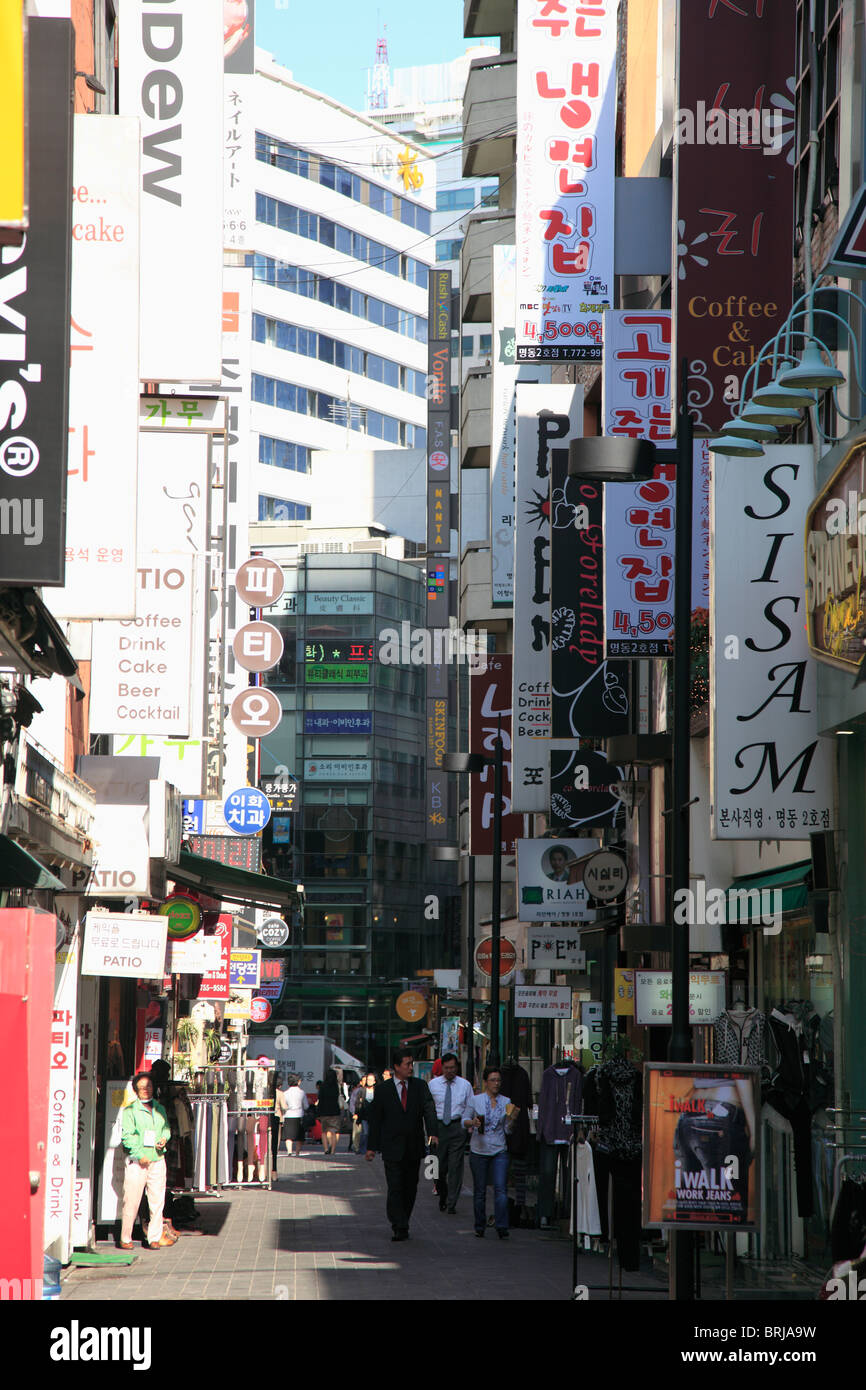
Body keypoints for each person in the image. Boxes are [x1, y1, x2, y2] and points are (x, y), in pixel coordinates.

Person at [365, 1051, 438, 1241]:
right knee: (395, 1186)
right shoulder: (383, 1090)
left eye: (411, 1064)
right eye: (407, 1064)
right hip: (392, 1147)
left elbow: (429, 1110)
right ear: (397, 1067)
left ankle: (403, 1218)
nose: (410, 1067)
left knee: (410, 1187)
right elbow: (376, 1120)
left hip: (413, 1146)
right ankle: (399, 1224)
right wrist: (371, 1147)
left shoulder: (420, 1087)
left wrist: (433, 1132)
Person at [119, 1072, 176, 1250]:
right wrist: (138, 1154)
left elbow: (166, 1129)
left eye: (149, 1086)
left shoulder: (160, 1108)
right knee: (132, 1200)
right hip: (138, 1162)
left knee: (157, 1200)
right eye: (142, 1087)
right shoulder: (130, 1111)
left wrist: (164, 1139)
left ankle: (154, 1237)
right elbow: (127, 1136)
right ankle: (125, 1237)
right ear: (136, 1090)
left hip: (157, 1159)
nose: (146, 1090)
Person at [465, 1067, 519, 1239]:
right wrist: (472, 1122)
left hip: (499, 1149)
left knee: (500, 1189)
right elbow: (463, 1121)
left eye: (499, 1080)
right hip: (479, 1149)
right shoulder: (476, 1100)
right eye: (493, 1080)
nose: (496, 1084)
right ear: (486, 1082)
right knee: (480, 1190)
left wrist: (512, 1121)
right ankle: (479, 1225)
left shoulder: (506, 1101)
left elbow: (508, 1130)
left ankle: (502, 1225)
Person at [428, 1053, 474, 1213]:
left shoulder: (465, 1085)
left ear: (457, 1067)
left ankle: (451, 1202)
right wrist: (430, 1131)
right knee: (436, 1167)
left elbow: (470, 1106)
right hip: (438, 1129)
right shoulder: (433, 1085)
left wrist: (467, 1126)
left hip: (457, 1127)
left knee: (455, 1166)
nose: (449, 1071)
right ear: (442, 1068)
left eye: (452, 1068)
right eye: (446, 1068)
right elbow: (428, 1109)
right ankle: (442, 1192)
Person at [279, 1074, 310, 1158]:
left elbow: (283, 1106)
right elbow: (306, 1106)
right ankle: (297, 1152)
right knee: (299, 1136)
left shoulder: (285, 1093)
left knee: (288, 1136)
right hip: (299, 1115)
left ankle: (289, 1152)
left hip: (288, 1115)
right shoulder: (302, 1093)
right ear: (298, 1082)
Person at [316, 1067, 343, 1156]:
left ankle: (326, 1148)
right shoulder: (336, 1086)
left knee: (324, 1131)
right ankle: (333, 1150)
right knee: (334, 1132)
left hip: (324, 1111)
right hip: (335, 1111)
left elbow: (320, 1099)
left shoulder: (323, 1086)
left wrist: (318, 1112)